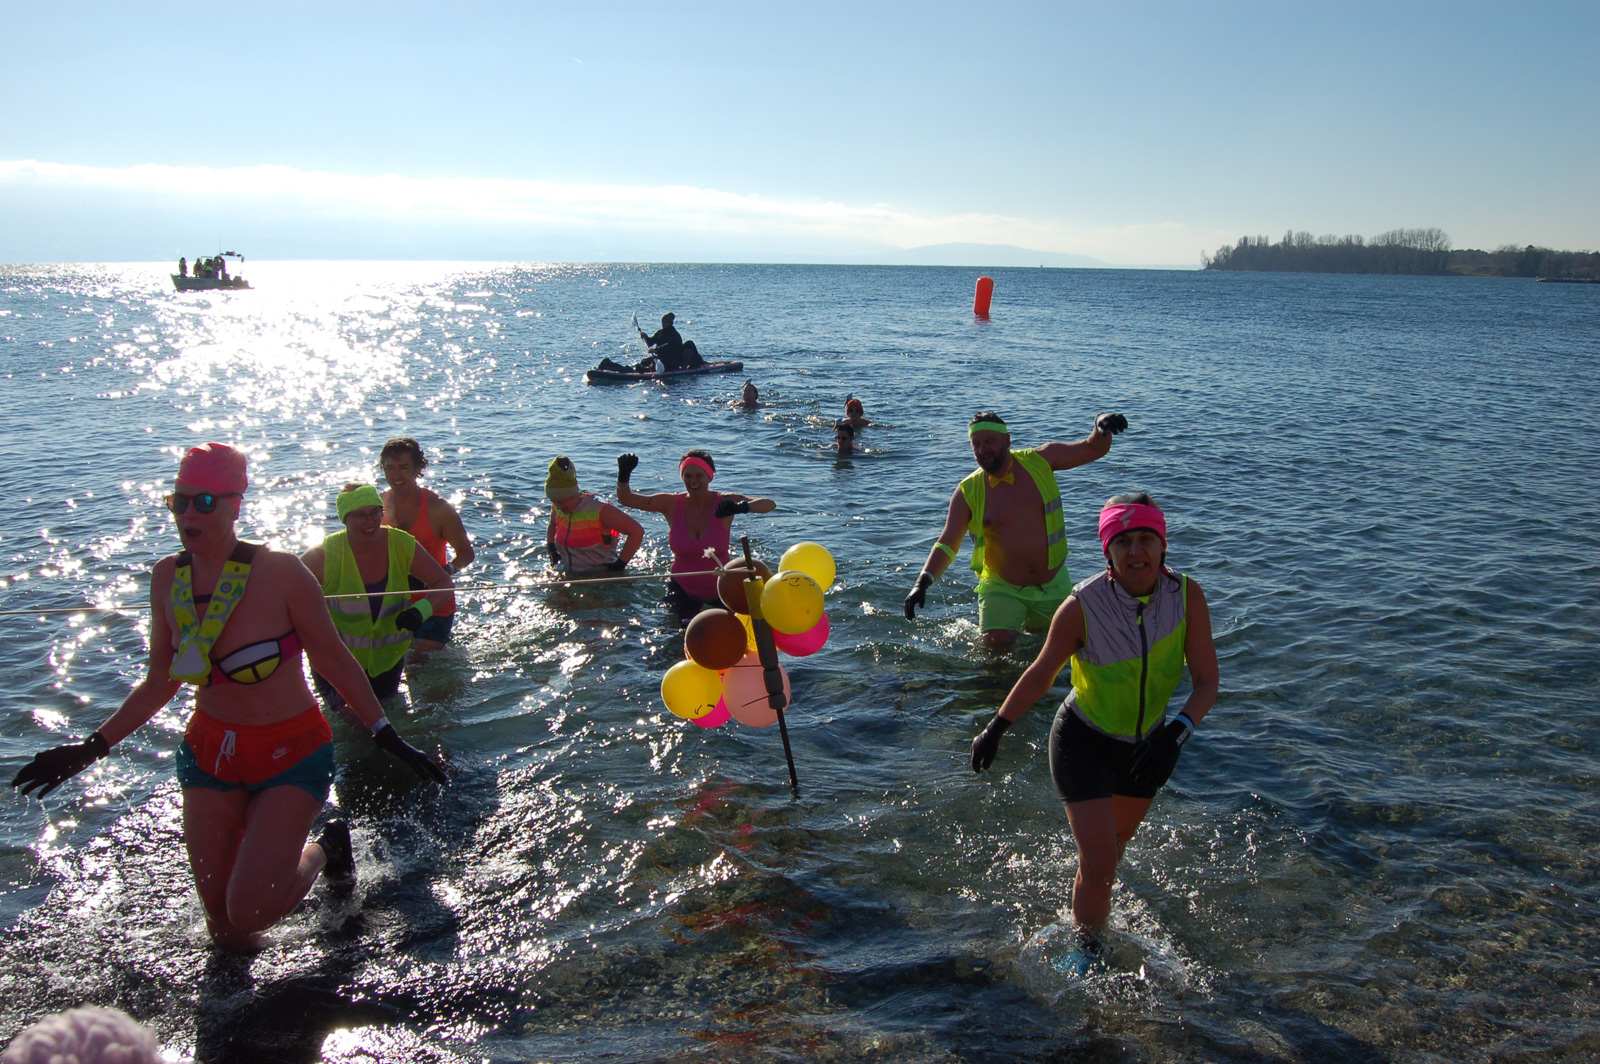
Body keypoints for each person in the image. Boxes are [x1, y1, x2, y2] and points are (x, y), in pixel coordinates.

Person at [9, 444, 447, 951]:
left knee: (251, 910)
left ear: (235, 505)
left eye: (205, 502)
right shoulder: (167, 577)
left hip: (292, 750)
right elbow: (159, 682)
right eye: (179, 502)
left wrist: (385, 734)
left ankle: (327, 847)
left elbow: (333, 659)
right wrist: (91, 748)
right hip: (210, 753)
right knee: (225, 931)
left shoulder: (281, 571)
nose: (189, 515)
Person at [969, 494, 1217, 970]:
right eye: (1122, 542)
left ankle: (1087, 891)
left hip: (1147, 746)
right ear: (1107, 551)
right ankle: (1087, 950)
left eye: (1145, 539)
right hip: (1082, 741)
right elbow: (1041, 674)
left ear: (1163, 545)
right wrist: (997, 727)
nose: (1135, 551)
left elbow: (1207, 682)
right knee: (1101, 864)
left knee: (1112, 851)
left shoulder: (1187, 597)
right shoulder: (1082, 607)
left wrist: (1176, 734)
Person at [905, 410, 1128, 652]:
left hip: (1053, 583)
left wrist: (1101, 425)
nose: (982, 450)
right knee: (996, 647)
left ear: (1007, 440)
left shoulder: (1042, 460)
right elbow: (948, 542)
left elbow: (1093, 448)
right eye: (976, 444)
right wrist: (922, 582)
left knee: (1064, 649)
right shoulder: (967, 492)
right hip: (1001, 588)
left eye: (989, 441)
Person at [301, 483, 454, 707]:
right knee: (356, 720)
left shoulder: (401, 543)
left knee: (388, 715)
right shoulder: (322, 556)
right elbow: (285, 598)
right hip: (336, 663)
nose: (370, 521)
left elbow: (443, 583)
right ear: (345, 518)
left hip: (387, 661)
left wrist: (419, 611)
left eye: (375, 512)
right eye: (360, 515)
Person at [614, 449, 775, 618]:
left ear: (709, 477)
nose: (693, 481)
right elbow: (626, 499)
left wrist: (740, 507)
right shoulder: (670, 503)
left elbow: (769, 504)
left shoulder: (725, 501)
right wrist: (624, 476)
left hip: (723, 589)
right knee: (676, 632)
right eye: (688, 476)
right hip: (682, 589)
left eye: (699, 476)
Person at [379, 437, 474, 653]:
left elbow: (466, 554)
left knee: (421, 663)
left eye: (404, 467)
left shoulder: (438, 509)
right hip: (390, 602)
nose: (396, 476)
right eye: (390, 468)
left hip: (434, 603)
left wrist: (443, 572)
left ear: (418, 469)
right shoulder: (377, 507)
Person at [545, 455, 643, 575]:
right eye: (554, 502)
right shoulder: (557, 506)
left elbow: (637, 531)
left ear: (574, 494)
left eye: (562, 502)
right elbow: (553, 524)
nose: (558, 507)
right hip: (570, 574)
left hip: (601, 576)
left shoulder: (599, 509)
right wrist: (551, 549)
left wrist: (620, 564)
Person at [639, 312, 705, 371]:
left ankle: (648, 369)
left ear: (671, 323)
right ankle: (643, 368)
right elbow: (650, 342)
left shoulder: (674, 334)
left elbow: (669, 345)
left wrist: (656, 350)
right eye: (664, 322)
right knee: (644, 362)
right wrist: (645, 336)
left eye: (667, 322)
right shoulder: (660, 333)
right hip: (661, 357)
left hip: (673, 359)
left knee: (660, 363)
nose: (665, 324)